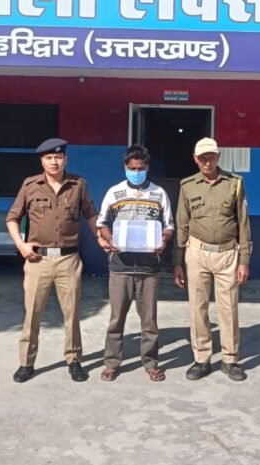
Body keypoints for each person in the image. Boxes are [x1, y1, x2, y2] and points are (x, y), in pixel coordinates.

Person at [6, 138, 98, 383]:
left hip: (68, 260)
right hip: (38, 261)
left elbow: (90, 214)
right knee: (32, 314)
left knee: (72, 314)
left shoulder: (78, 184)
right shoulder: (30, 185)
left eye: (58, 157)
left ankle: (74, 360)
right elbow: (12, 218)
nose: (54, 162)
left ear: (65, 159)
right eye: (48, 158)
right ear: (42, 161)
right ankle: (26, 363)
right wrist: (21, 245)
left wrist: (102, 238)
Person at [173, 137, 252, 382]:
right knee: (198, 307)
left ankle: (230, 359)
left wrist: (244, 259)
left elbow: (243, 224)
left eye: (211, 157)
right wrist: (177, 262)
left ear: (218, 157)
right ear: (195, 159)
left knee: (229, 308)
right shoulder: (187, 186)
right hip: (196, 253)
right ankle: (202, 358)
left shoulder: (234, 183)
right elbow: (182, 225)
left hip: (227, 254)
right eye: (202, 158)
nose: (207, 162)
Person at [96, 145, 175, 383]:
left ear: (147, 168)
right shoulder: (114, 192)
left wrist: (163, 240)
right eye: (132, 168)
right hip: (120, 266)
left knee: (149, 321)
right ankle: (111, 363)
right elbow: (102, 222)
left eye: (141, 168)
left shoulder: (159, 193)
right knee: (116, 319)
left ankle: (151, 363)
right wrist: (109, 238)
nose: (137, 172)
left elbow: (169, 225)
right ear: (125, 167)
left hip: (149, 268)